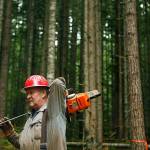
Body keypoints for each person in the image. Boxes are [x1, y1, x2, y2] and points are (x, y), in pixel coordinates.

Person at [0, 75, 67, 150]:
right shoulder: (31, 118)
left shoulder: (53, 112)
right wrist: (11, 134)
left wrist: (51, 86)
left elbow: (58, 84)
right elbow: (24, 145)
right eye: (27, 93)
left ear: (43, 93)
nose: (28, 96)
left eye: (31, 93)